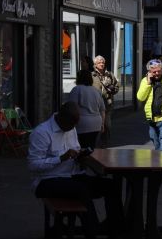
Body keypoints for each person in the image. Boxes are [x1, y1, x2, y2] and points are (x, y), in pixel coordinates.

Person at [27, 102, 125, 239]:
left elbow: (76, 149)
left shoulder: (71, 128)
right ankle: (92, 230)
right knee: (80, 190)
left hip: (73, 175)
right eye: (70, 125)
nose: (73, 129)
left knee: (110, 186)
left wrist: (81, 157)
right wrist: (60, 158)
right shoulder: (42, 133)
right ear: (61, 119)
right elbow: (33, 165)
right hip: (48, 180)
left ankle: (116, 228)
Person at [69, 70, 106, 149]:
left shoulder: (76, 89)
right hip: (96, 123)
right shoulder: (96, 91)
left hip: (82, 123)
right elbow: (102, 109)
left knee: (81, 147)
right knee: (91, 147)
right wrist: (102, 124)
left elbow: (72, 107)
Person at [92, 55, 119, 147]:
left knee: (107, 125)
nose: (101, 64)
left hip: (107, 104)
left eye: (103, 62)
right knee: (95, 125)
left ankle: (104, 143)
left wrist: (113, 89)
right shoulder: (92, 75)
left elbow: (117, 86)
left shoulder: (110, 74)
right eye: (99, 62)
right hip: (95, 105)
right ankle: (94, 143)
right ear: (95, 64)